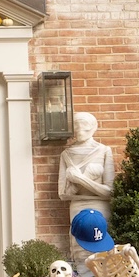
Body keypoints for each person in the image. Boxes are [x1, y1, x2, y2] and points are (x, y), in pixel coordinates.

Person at [60, 112, 114, 264]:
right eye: (76, 128)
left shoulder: (103, 151)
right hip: (77, 206)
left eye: (84, 128)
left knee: (100, 243)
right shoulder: (67, 154)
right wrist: (78, 183)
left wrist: (81, 179)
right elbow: (63, 194)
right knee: (79, 245)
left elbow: (110, 192)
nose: (80, 131)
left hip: (100, 206)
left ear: (93, 128)